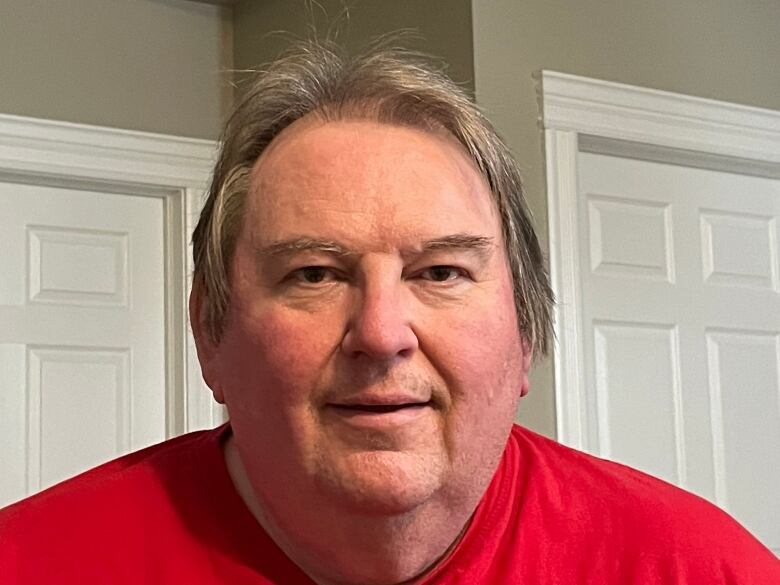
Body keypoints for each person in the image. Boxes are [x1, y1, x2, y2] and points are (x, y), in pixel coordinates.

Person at [1, 39, 778, 585]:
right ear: (211, 331)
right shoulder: (30, 563)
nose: (380, 332)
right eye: (314, 273)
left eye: (440, 270)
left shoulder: (702, 568)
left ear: (526, 332)